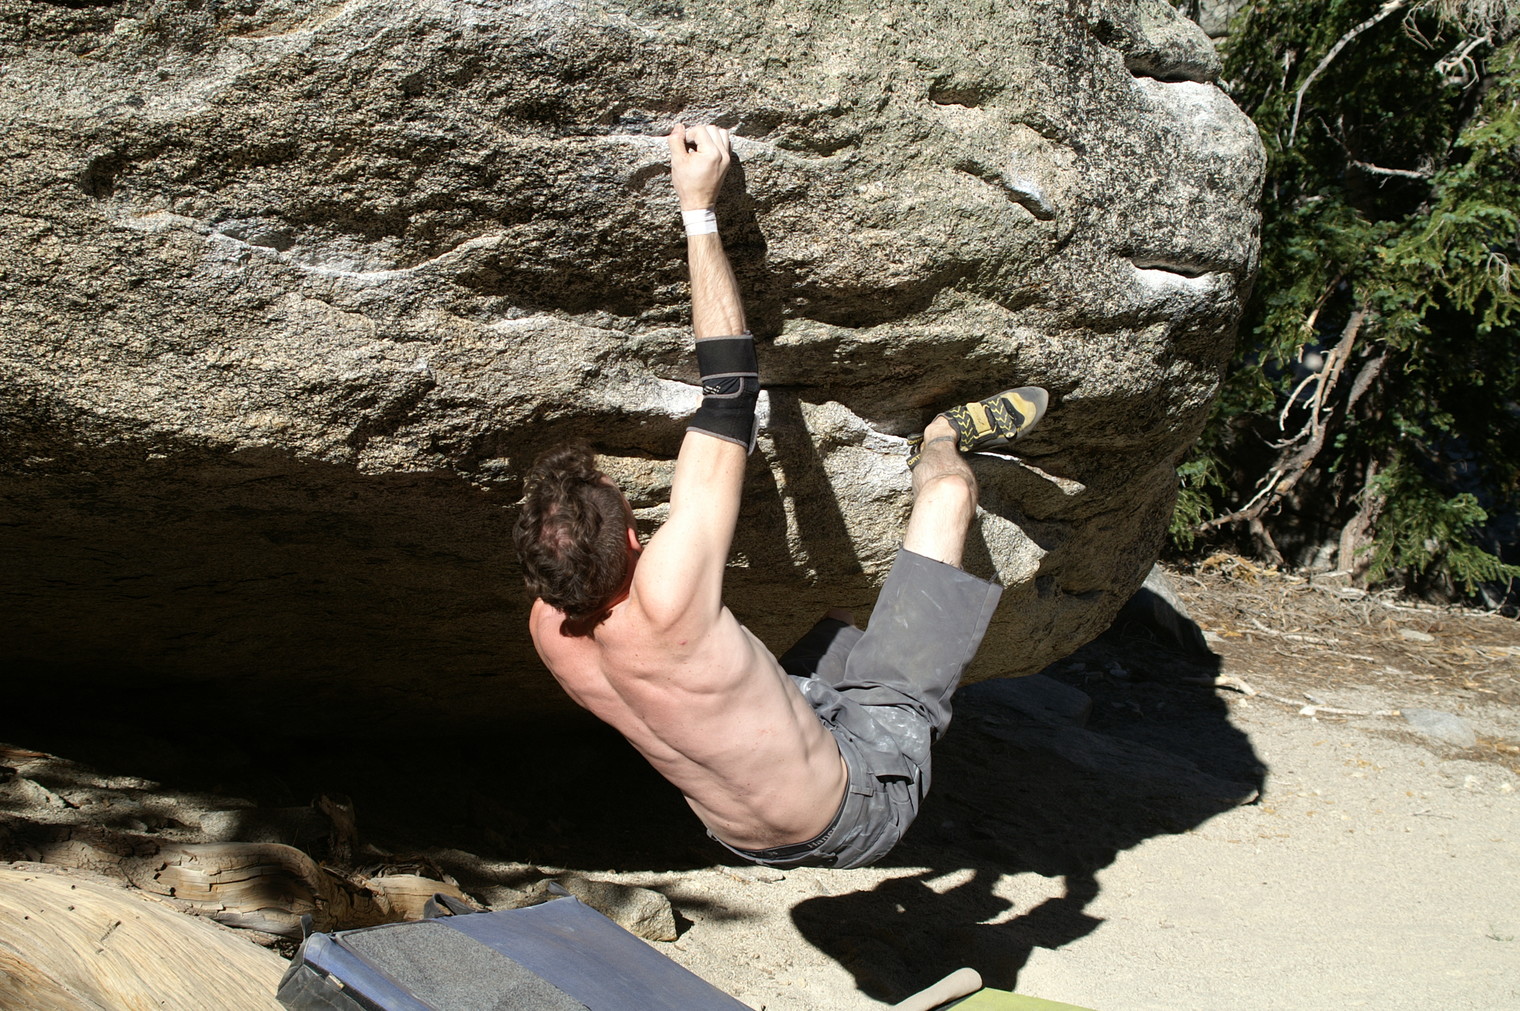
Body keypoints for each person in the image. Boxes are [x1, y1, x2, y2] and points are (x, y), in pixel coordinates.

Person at [512, 123, 1047, 869]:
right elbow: (731, 391)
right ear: (634, 539)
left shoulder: (549, 630)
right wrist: (698, 208)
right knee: (952, 493)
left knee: (843, 626)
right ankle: (942, 438)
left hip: (741, 834)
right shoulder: (668, 595)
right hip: (860, 800)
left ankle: (840, 678)